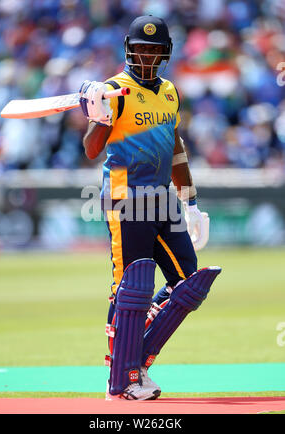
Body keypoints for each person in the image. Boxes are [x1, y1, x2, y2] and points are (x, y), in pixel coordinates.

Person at [79, 15, 221, 401]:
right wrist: (99, 114)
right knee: (129, 287)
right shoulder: (113, 90)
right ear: (128, 49)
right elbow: (92, 149)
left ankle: (132, 361)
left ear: (166, 53)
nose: (146, 56)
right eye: (140, 49)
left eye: (154, 50)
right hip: (126, 199)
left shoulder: (170, 92)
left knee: (188, 285)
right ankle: (123, 376)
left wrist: (190, 201)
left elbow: (176, 149)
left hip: (164, 199)